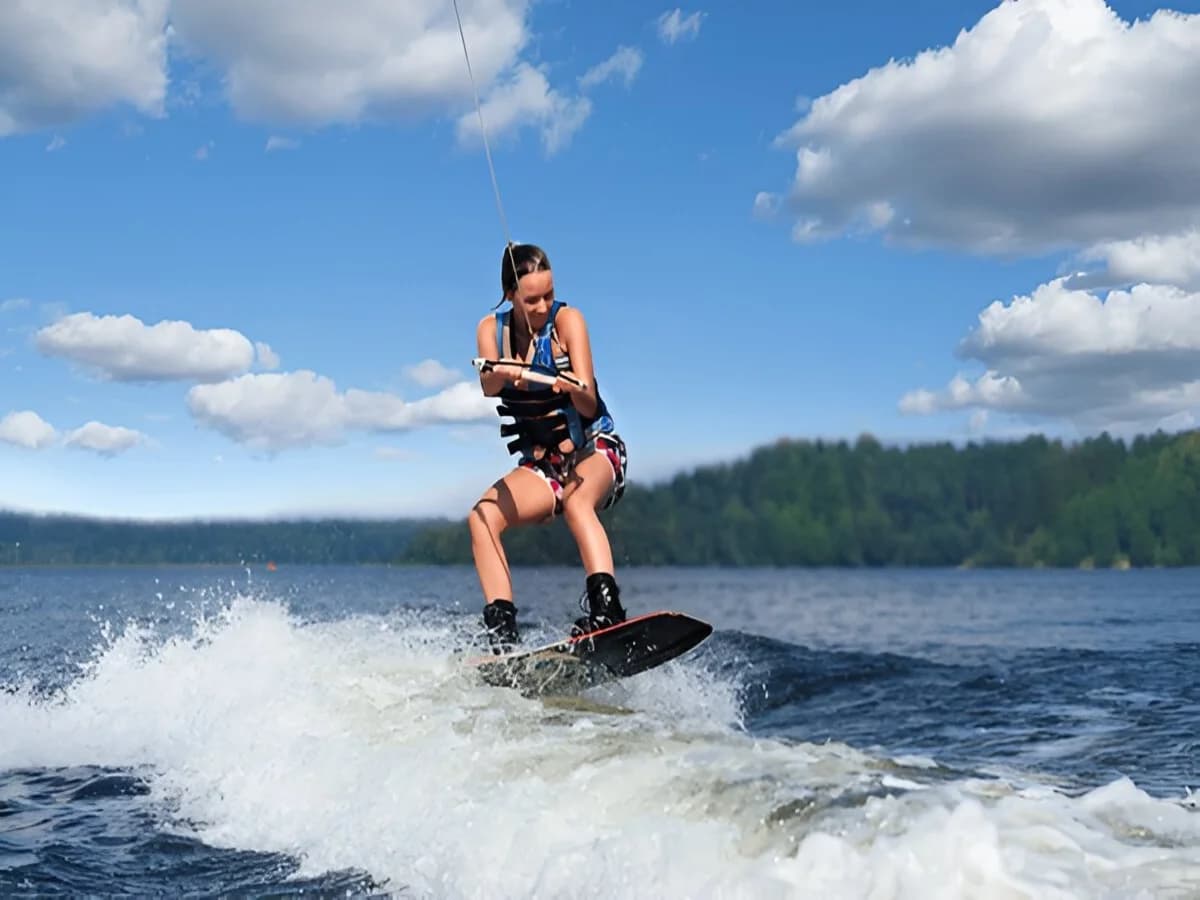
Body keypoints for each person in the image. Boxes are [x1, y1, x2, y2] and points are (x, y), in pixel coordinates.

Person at [469, 242, 629, 653]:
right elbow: (489, 385)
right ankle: (503, 639)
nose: (541, 306)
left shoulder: (568, 321)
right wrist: (509, 370)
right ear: (510, 295)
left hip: (595, 448)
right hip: (543, 464)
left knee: (578, 503)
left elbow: (589, 403)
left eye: (548, 295)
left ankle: (607, 613)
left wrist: (568, 385)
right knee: (483, 517)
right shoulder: (493, 330)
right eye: (530, 299)